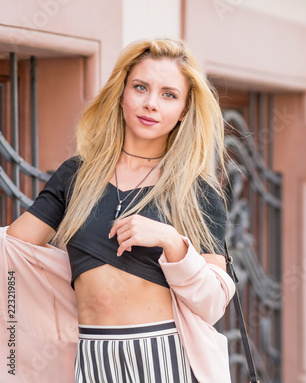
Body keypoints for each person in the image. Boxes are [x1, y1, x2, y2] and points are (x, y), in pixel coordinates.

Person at [4, 38, 236, 383]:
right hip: (93, 353)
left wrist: (172, 243)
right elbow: (14, 252)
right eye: (140, 87)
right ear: (121, 93)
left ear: (185, 109)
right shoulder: (77, 175)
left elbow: (213, 303)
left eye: (168, 94)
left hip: (165, 353)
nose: (151, 104)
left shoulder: (196, 191)